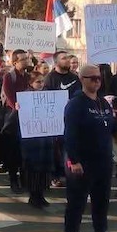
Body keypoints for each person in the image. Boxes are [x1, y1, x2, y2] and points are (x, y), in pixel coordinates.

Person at [63, 64, 117, 232]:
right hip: (82, 162)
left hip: (103, 161)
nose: (96, 81)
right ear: (82, 79)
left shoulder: (103, 104)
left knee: (102, 200)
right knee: (77, 201)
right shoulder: (75, 104)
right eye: (92, 78)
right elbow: (70, 134)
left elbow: (110, 128)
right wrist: (74, 160)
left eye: (98, 78)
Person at [43, 51, 81, 187]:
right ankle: (55, 175)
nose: (67, 60)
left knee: (70, 147)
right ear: (56, 62)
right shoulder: (50, 78)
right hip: (56, 120)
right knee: (56, 149)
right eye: (63, 58)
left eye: (67, 58)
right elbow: (45, 99)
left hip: (72, 119)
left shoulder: (75, 78)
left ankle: (69, 174)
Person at [20, 72, 55, 208]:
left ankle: (41, 194)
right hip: (31, 140)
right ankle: (33, 195)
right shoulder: (25, 96)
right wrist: (19, 109)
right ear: (31, 83)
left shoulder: (47, 95)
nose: (41, 84)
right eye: (38, 82)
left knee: (44, 167)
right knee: (33, 167)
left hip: (45, 137)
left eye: (42, 81)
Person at [2, 49, 30, 192]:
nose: (26, 61)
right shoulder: (9, 76)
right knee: (13, 149)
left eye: (26, 58)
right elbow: (8, 94)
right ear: (15, 62)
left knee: (23, 149)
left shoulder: (27, 76)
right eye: (23, 59)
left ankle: (24, 179)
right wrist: (15, 105)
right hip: (13, 116)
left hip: (26, 116)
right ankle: (13, 179)